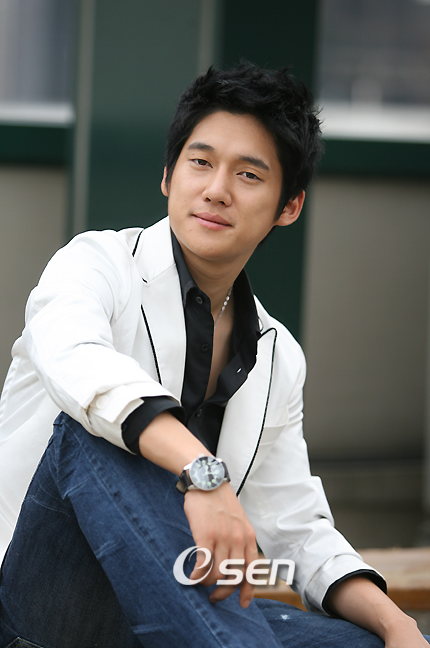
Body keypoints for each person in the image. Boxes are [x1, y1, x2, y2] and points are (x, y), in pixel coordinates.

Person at [0, 62, 428, 648]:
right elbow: (81, 365)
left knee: (367, 644)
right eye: (200, 163)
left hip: (170, 610)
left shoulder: (277, 356)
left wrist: (398, 624)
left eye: (248, 174)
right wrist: (204, 475)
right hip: (39, 609)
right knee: (99, 429)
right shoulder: (94, 265)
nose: (217, 189)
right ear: (168, 175)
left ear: (289, 206)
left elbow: (297, 527)